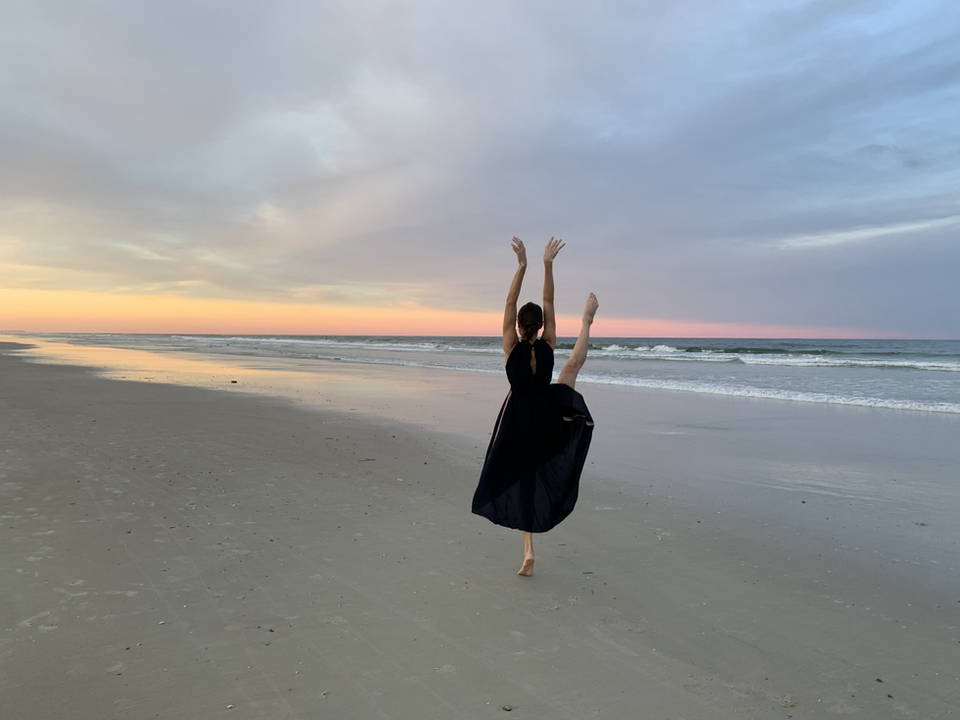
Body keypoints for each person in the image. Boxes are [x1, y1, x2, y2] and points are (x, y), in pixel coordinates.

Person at [472, 236, 599, 576]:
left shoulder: (510, 345)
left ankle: (528, 550)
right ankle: (588, 322)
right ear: (541, 326)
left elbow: (510, 299)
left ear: (517, 326)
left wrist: (522, 265)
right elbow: (548, 298)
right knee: (571, 369)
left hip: (518, 422)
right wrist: (547, 264)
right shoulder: (548, 344)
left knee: (524, 483)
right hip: (547, 418)